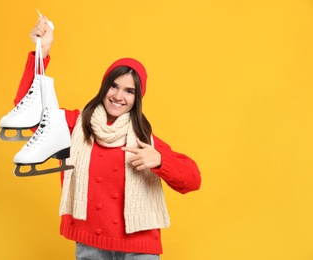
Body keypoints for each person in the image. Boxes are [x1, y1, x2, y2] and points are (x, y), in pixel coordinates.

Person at [13, 16, 201, 260]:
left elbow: (193, 179)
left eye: (129, 91)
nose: (119, 96)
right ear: (104, 87)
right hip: (91, 246)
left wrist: (160, 160)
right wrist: (42, 53)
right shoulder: (75, 126)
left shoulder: (145, 139)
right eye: (114, 86)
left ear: (137, 98)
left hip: (140, 249)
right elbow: (26, 111)